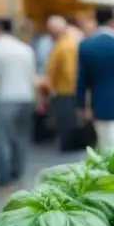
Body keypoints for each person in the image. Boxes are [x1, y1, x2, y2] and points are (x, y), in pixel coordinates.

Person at [0, 17, 36, 190]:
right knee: (21, 137)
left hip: (5, 98)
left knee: (3, 139)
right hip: (26, 97)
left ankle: (4, 178)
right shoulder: (25, 48)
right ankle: (18, 172)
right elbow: (32, 76)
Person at [76, 7, 114, 150]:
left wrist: (81, 105)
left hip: (99, 104)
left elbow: (82, 79)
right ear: (113, 22)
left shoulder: (85, 45)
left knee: (104, 146)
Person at [45, 17, 82, 151]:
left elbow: (69, 71)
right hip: (66, 90)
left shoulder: (64, 46)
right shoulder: (65, 43)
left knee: (66, 122)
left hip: (65, 91)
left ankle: (68, 147)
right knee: (67, 121)